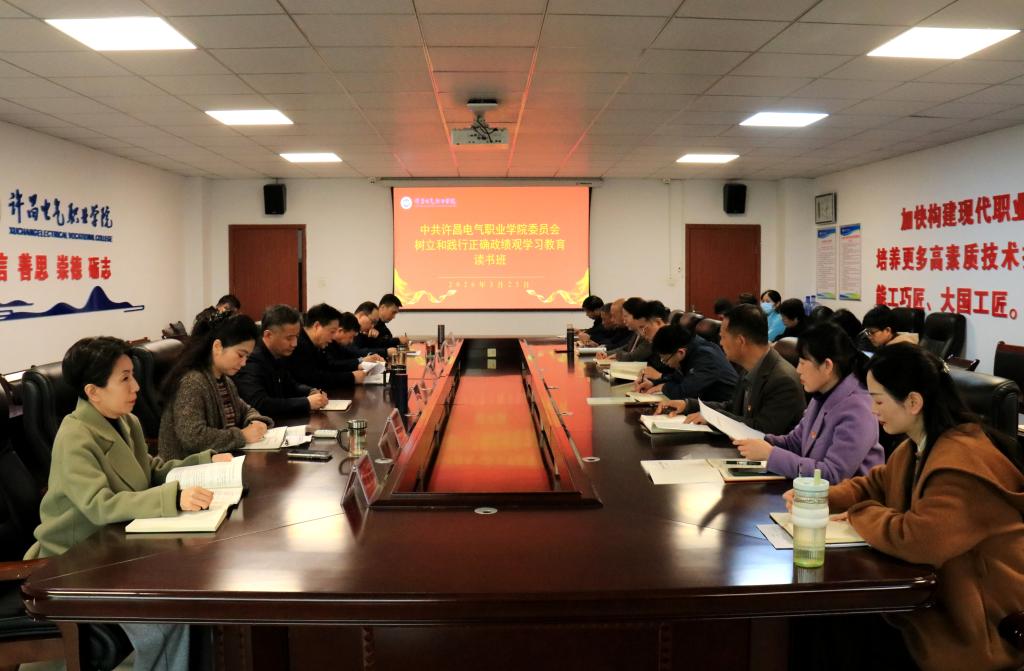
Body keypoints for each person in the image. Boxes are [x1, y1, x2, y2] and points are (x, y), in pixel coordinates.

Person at [793, 344, 1024, 671]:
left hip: (978, 622)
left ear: (913, 402)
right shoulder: (919, 446)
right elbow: (876, 483)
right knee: (828, 623)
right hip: (941, 597)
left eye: (878, 400)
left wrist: (860, 514)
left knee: (841, 629)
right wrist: (822, 496)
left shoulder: (963, 462)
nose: (873, 410)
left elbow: (918, 539)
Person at [25, 336, 233, 671]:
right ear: (93, 391)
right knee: (165, 613)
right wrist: (173, 498)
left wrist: (204, 463)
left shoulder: (126, 421)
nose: (136, 386)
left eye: (133, 375)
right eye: (124, 378)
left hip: (118, 549)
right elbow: (100, 505)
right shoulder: (74, 436)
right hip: (75, 562)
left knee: (190, 592)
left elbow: (150, 470)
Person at [734, 321, 883, 482]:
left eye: (803, 363)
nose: (798, 370)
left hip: (844, 497)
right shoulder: (822, 394)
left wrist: (770, 455)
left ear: (827, 366)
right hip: (810, 492)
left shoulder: (858, 408)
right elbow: (795, 443)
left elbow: (833, 475)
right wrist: (757, 439)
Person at [656, 304, 805, 435]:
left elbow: (762, 430)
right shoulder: (749, 367)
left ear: (740, 341)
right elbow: (732, 407)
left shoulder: (783, 380)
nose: (720, 343)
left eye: (723, 337)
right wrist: (688, 404)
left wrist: (714, 419)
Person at [158, 311, 273, 461]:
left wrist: (255, 420)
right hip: (187, 468)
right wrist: (242, 435)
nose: (244, 363)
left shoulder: (225, 381)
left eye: (247, 357)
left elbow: (245, 409)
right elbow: (193, 437)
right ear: (218, 346)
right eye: (240, 354)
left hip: (218, 463)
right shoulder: (192, 382)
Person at [234, 304, 329, 416]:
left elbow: (291, 386)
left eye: (296, 337)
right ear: (268, 335)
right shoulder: (251, 360)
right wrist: (307, 403)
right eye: (289, 338)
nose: (294, 344)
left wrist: (311, 391)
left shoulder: (278, 353)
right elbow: (259, 404)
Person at [642, 324, 737, 403]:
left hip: (724, 412)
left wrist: (663, 387)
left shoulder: (706, 357)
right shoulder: (691, 347)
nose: (665, 363)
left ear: (680, 352)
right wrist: (653, 383)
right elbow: (678, 377)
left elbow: (685, 392)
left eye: (665, 360)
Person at [288, 303, 368, 388]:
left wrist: (355, 369)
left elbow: (329, 367)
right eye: (332, 332)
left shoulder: (316, 345)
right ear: (317, 326)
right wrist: (351, 377)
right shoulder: (299, 345)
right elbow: (313, 379)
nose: (333, 338)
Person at [603, 297, 649, 361]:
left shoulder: (648, 333)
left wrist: (617, 355)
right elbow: (626, 348)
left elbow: (632, 357)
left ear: (636, 315)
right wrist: (605, 353)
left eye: (625, 316)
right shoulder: (636, 332)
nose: (624, 320)